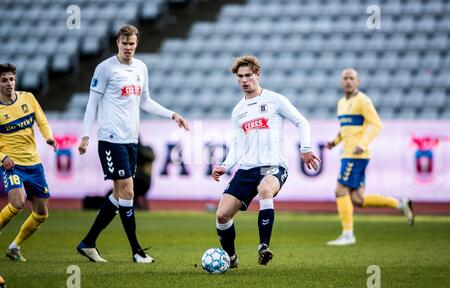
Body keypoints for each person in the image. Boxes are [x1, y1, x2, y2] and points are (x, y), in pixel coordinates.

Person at [77, 25, 189, 263]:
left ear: (137, 44)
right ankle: (137, 251)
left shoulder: (141, 68)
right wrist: (86, 135)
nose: (128, 48)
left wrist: (172, 114)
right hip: (111, 139)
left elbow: (145, 101)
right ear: (118, 42)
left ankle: (88, 242)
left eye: (132, 44)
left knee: (119, 196)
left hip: (130, 141)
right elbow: (92, 104)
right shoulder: (105, 68)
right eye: (124, 43)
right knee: (128, 190)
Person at [212, 55, 320, 268]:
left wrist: (305, 148)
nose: (244, 80)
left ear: (257, 74)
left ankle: (263, 246)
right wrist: (225, 165)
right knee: (222, 215)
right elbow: (238, 144)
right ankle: (232, 259)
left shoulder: (274, 100)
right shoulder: (238, 111)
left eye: (248, 75)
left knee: (265, 190)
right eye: (240, 76)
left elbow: (301, 121)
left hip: (274, 165)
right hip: (247, 168)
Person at [326, 68, 414, 246]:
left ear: (357, 82)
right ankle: (400, 204)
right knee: (358, 199)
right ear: (341, 82)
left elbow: (377, 125)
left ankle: (348, 234)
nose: (348, 81)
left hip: (356, 155)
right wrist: (334, 142)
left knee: (340, 190)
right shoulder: (342, 102)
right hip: (348, 153)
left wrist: (362, 144)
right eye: (345, 78)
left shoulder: (363, 101)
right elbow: (345, 129)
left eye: (352, 78)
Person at [0, 63, 57, 262]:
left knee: (41, 213)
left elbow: (41, 120)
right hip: (11, 164)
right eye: (4, 80)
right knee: (17, 202)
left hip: (34, 164)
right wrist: (2, 158)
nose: (9, 83)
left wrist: (49, 137)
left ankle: (14, 247)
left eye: (11, 79)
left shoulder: (28, 98)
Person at [133, 139, 155, 210]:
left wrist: (139, 149)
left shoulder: (146, 150)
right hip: (134, 181)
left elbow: (151, 157)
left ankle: (136, 205)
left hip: (143, 181)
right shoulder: (129, 150)